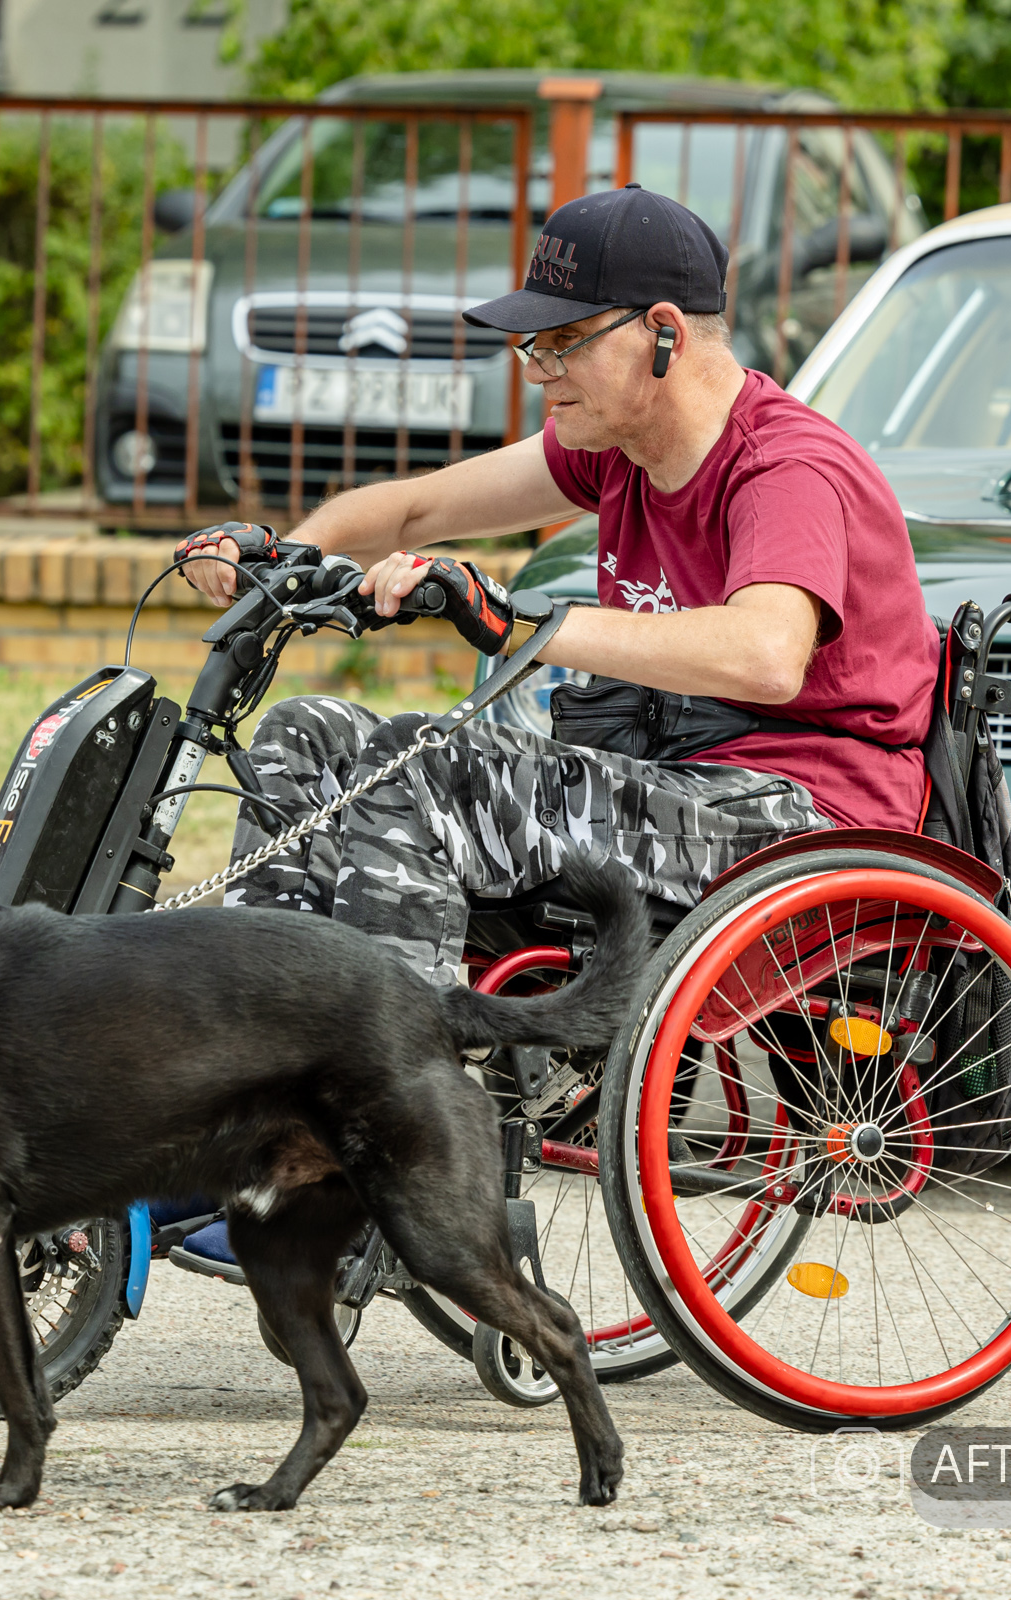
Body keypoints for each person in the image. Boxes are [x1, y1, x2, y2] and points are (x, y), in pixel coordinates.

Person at [163, 186, 938, 1278]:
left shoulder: (784, 467)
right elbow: (420, 509)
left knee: (426, 770)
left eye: (565, 342)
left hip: (795, 818)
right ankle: (255, 1118)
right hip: (669, 784)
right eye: (534, 343)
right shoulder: (617, 449)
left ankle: (395, 1166)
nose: (541, 368)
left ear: (664, 335)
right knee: (306, 738)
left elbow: (768, 653)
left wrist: (530, 620)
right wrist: (278, 550)